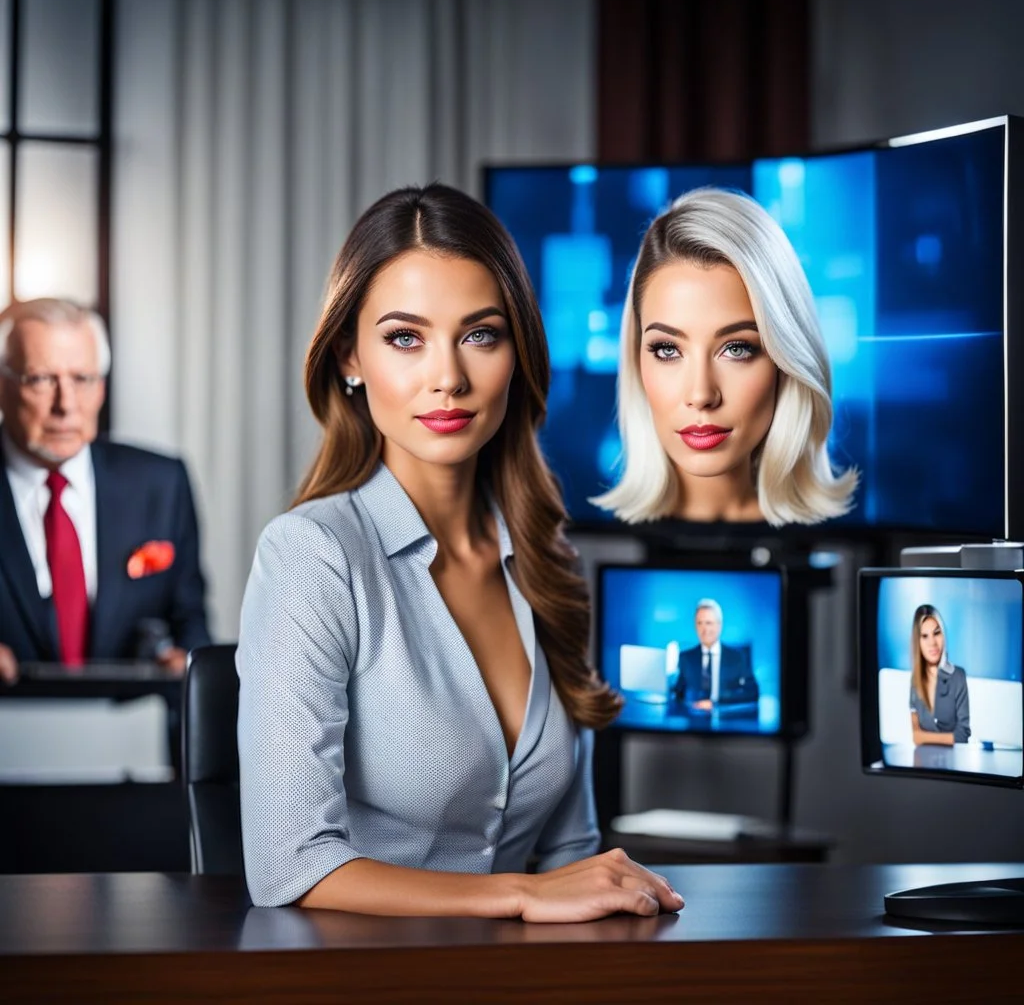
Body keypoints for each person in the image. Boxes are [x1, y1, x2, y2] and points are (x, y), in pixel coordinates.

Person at [237, 183, 683, 921]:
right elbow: (291, 865)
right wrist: (523, 894)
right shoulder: (312, 557)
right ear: (350, 355)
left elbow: (574, 853)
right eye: (405, 337)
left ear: (517, 353)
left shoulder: (547, 562)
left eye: (480, 334)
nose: (448, 377)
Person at [592, 186, 857, 526]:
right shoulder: (575, 543)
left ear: (785, 359)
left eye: (736, 349)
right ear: (636, 357)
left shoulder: (846, 545)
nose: (701, 395)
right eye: (668, 350)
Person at [0, 298, 210, 682]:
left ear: (101, 387)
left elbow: (190, 622)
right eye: (41, 379)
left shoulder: (161, 484)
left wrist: (184, 663)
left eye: (82, 379)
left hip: (130, 732)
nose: (66, 405)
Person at [670, 598, 758, 710]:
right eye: (699, 623)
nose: (704, 629)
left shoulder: (737, 657)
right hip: (694, 718)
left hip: (726, 717)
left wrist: (717, 701)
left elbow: (752, 692)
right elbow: (678, 694)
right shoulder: (685, 658)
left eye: (709, 623)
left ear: (719, 625)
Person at [908, 604, 970, 745]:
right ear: (917, 642)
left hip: (953, 761)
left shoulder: (958, 676)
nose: (932, 643)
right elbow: (915, 736)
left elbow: (962, 735)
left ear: (943, 634)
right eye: (924, 636)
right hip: (922, 761)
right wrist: (947, 738)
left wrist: (925, 737)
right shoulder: (915, 680)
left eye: (937, 633)